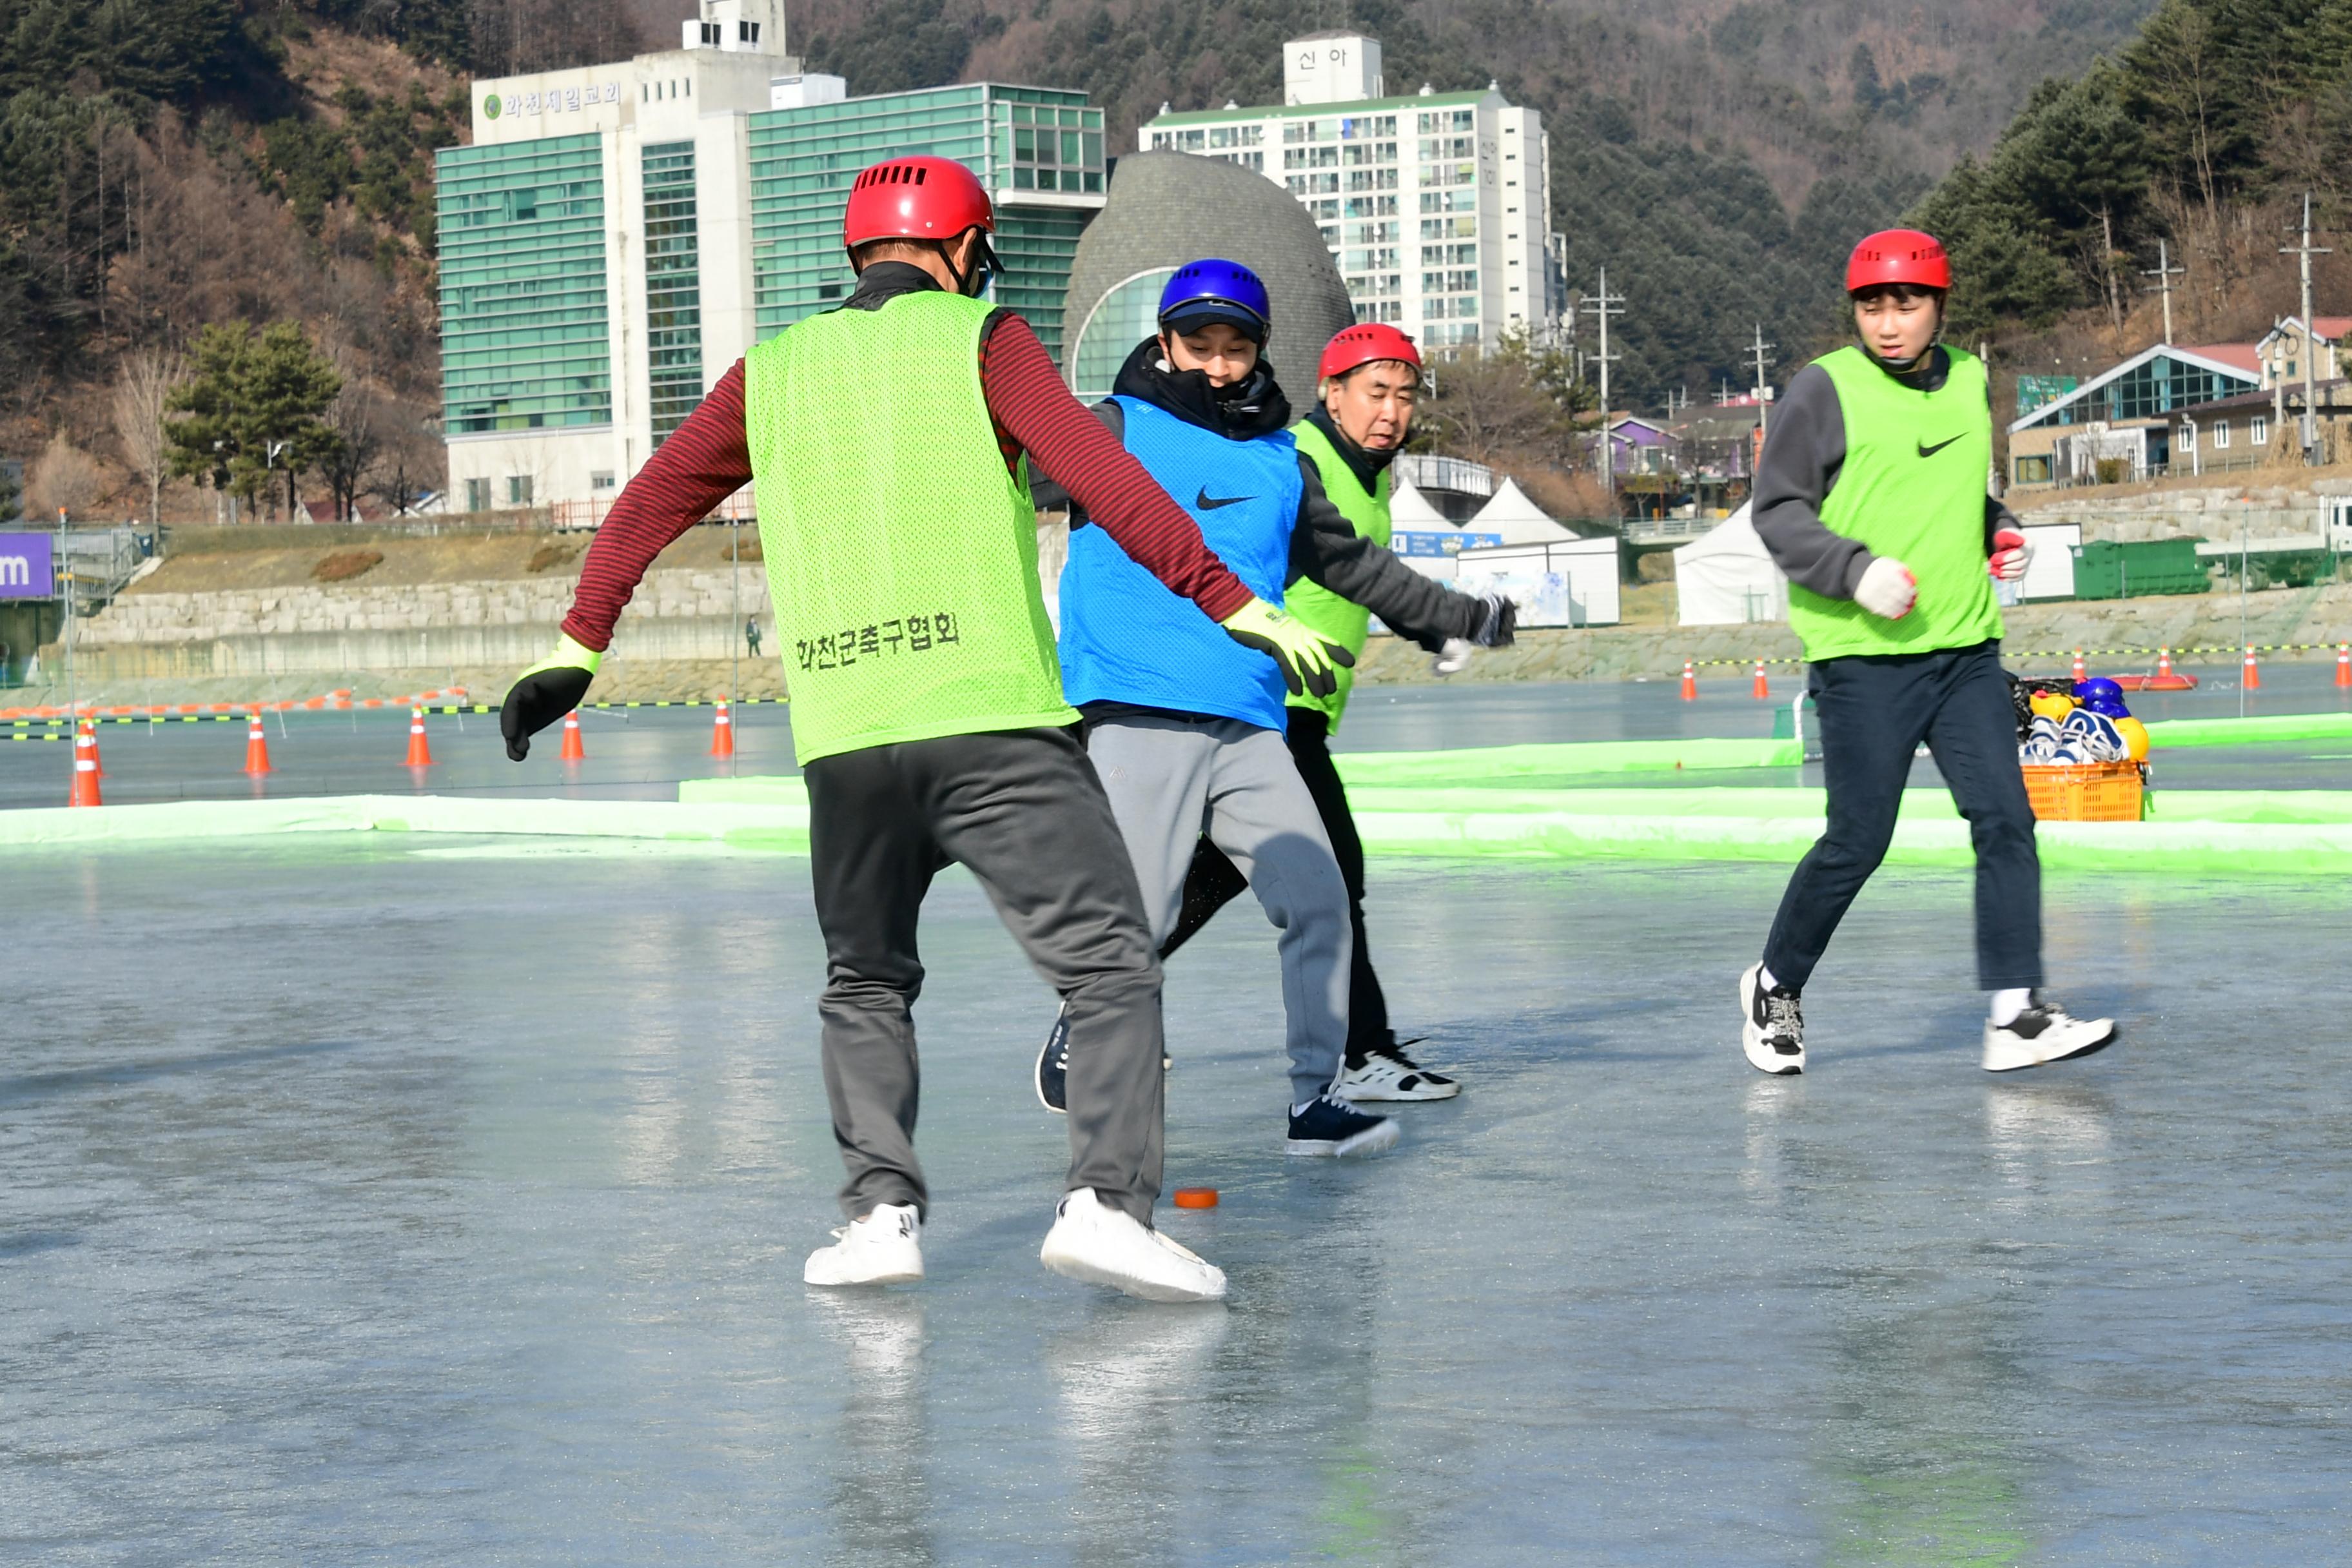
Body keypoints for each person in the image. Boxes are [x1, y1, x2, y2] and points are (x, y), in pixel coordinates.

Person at [498, 158, 1348, 1304]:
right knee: (1107, 966)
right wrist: (1230, 598)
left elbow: (648, 501)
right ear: (958, 250)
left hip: (846, 738)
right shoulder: (981, 338)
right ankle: (1104, 1206)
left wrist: (577, 647)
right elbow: (1106, 477)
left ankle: (876, 1218)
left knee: (864, 979)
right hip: (991, 725)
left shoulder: (773, 370)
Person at [1031, 260, 1512, 1155]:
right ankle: (1101, 1119)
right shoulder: (1112, 427)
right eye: (1199, 345)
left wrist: (1461, 617)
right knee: (1136, 919)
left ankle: (1313, 1101)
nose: (1217, 365)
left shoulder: (1280, 457)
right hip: (1139, 711)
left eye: (1235, 347)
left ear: (1259, 352)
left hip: (1253, 720)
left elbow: (1355, 565)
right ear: (1166, 342)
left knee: (1319, 900)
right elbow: (1003, 493)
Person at [1741, 228, 2115, 1076]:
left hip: (1966, 652)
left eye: (1906, 302)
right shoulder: (1823, 390)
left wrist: (2001, 529)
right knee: (1858, 840)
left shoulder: (1972, 382)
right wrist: (1855, 570)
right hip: (1862, 658)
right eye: (1872, 305)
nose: (1888, 321)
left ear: (1940, 305)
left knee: (2006, 819)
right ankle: (1775, 983)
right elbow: (1778, 511)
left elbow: (1964, 493)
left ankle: (2016, 1012)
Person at [1139, 322, 1484, 1103]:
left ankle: (1107, 982)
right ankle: (1362, 1051)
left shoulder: (1367, 476)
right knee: (1335, 873)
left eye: (1404, 395)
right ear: (1332, 393)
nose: (1391, 412)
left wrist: (1435, 625)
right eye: (1374, 393)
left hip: (1297, 710)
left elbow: (1364, 577)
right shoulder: (1297, 458)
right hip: (1272, 703)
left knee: (1221, 873)